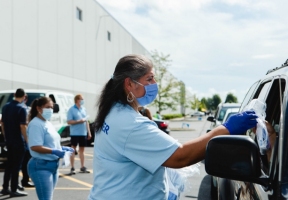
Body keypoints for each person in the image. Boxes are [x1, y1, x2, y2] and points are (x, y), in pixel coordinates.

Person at [87, 54, 258, 200]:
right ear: (129, 84)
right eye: (149, 79)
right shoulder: (130, 124)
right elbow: (180, 156)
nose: (155, 83)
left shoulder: (113, 111)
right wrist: (225, 129)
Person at [27, 97, 74, 200]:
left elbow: (50, 143)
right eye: (48, 107)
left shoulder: (47, 123)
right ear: (38, 108)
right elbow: (35, 146)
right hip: (41, 166)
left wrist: (62, 148)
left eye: (52, 107)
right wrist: (55, 151)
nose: (50, 110)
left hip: (52, 166)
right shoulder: (36, 124)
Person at [0, 88, 28, 197]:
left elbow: (2, 124)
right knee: (17, 166)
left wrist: (6, 136)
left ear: (14, 94)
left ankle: (5, 187)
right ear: (24, 96)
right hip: (18, 141)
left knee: (9, 165)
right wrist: (27, 140)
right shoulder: (22, 108)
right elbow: (22, 126)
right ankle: (14, 188)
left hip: (9, 140)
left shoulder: (6, 106)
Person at [67, 94, 92, 174]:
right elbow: (69, 121)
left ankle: (82, 166)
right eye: (81, 99)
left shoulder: (83, 109)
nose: (82, 101)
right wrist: (78, 121)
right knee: (73, 150)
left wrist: (89, 132)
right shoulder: (71, 109)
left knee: (82, 150)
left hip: (83, 133)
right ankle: (72, 167)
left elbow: (86, 121)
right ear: (77, 100)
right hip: (75, 133)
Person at [20, 95, 35, 189]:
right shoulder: (23, 109)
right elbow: (24, 126)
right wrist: (27, 140)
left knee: (23, 162)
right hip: (24, 140)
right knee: (25, 161)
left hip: (19, 139)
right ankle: (25, 180)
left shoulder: (26, 109)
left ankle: (24, 180)